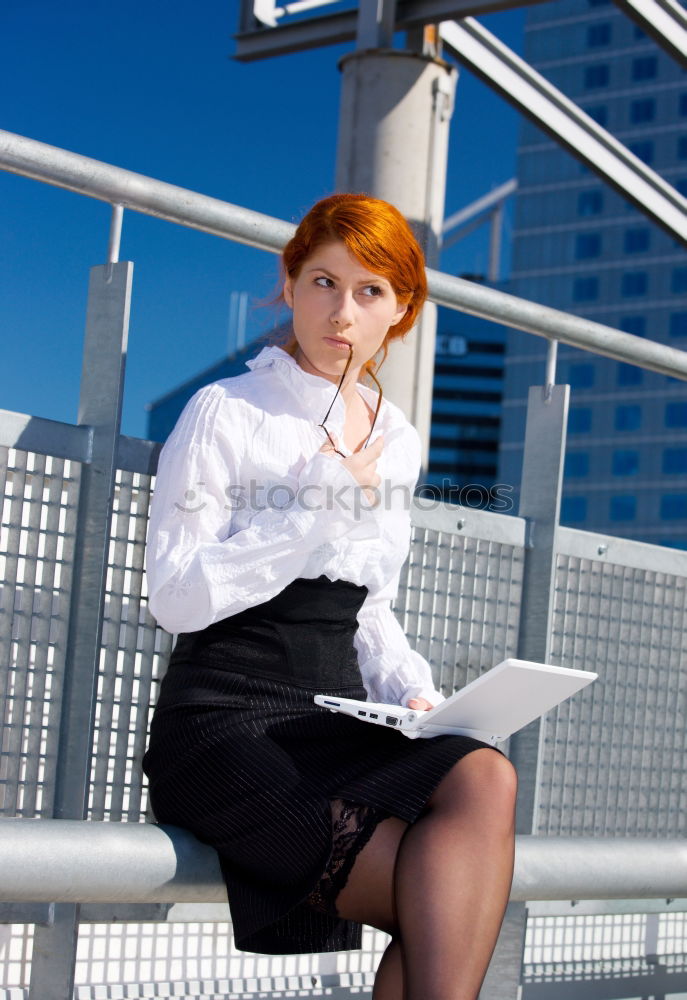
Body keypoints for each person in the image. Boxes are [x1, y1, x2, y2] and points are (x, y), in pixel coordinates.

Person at [142, 193, 517, 1000]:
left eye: (369, 290)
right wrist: (315, 506)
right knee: (442, 911)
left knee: (484, 775)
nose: (341, 311)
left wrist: (415, 694)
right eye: (322, 282)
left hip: (335, 718)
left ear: (402, 308)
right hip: (224, 719)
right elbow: (174, 597)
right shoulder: (228, 411)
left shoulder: (399, 438)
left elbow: (370, 607)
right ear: (288, 282)